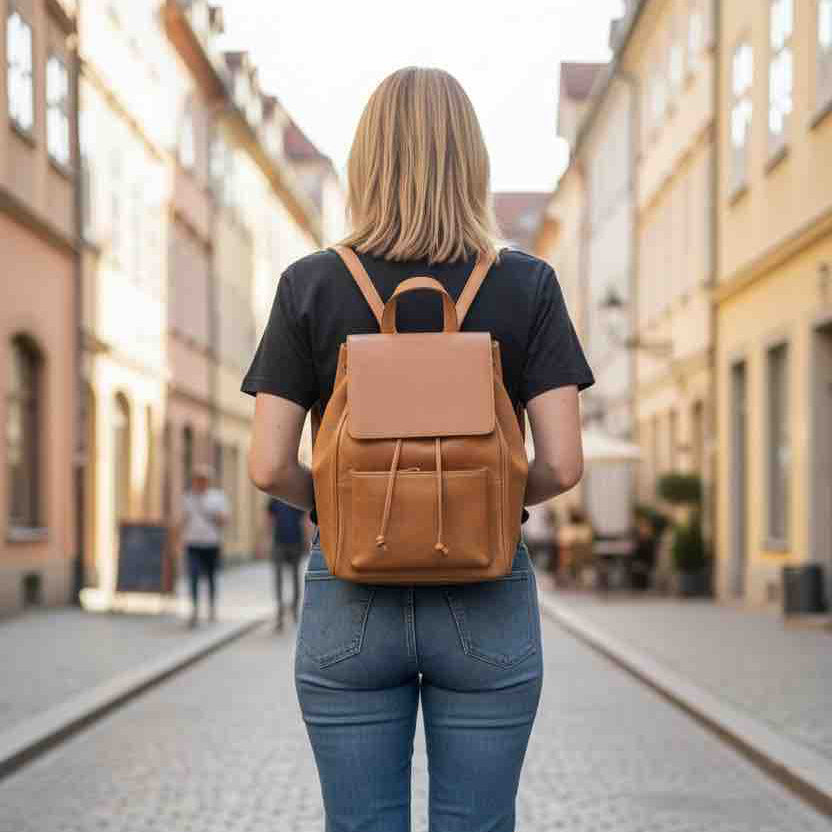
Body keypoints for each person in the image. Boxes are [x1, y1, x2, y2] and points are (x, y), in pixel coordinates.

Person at [241, 67, 595, 832]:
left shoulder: (311, 285)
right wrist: (483, 499)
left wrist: (340, 502)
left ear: (366, 163)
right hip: (486, 586)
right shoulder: (526, 285)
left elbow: (267, 463)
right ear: (472, 162)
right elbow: (563, 463)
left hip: (351, 592)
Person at [177, 463, 230, 627]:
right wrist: (177, 540)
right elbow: (182, 520)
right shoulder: (187, 498)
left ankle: (212, 607)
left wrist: (213, 514)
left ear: (208, 481)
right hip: (192, 543)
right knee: (193, 577)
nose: (200, 483)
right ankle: (194, 610)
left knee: (211, 577)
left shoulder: (217, 497)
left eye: (203, 480)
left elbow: (224, 520)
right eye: (197, 479)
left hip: (211, 543)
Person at [267, 497, 307, 631]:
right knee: (278, 579)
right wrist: (264, 541)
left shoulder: (295, 495)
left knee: (296, 578)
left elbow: (304, 520)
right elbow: (269, 520)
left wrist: (307, 541)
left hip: (296, 542)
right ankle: (279, 613)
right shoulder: (274, 499)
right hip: (278, 543)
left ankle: (295, 611)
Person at [556, 506, 595, 587]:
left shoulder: (567, 529)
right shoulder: (586, 529)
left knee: (563, 552)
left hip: (571, 558)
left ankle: (565, 575)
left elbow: (561, 542)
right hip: (584, 558)